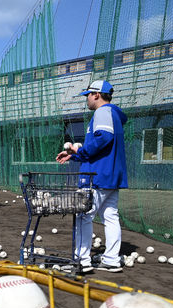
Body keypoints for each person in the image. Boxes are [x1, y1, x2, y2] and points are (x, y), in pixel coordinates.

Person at [56, 80, 127, 273]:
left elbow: (103, 138)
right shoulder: (114, 114)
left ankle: (82, 261)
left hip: (97, 175)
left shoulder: (103, 112)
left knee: (83, 216)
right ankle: (112, 259)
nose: (86, 99)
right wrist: (75, 154)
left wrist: (81, 151)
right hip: (111, 175)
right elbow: (103, 142)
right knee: (111, 217)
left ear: (96, 95)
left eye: (88, 95)